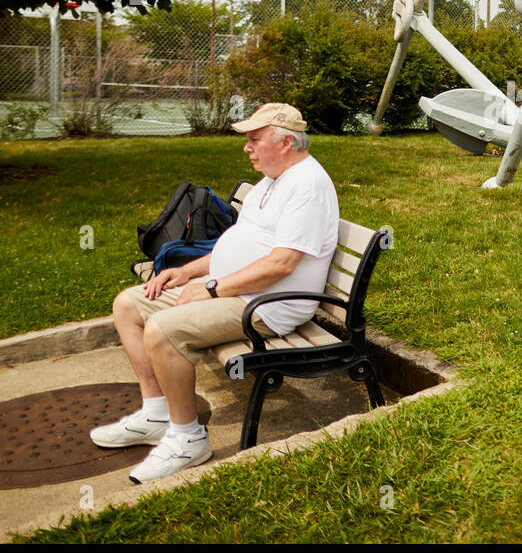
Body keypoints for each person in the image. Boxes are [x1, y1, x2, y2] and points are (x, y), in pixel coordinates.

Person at [91, 102, 339, 483]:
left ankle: (188, 439)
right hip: (234, 290)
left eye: (255, 139)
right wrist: (184, 272)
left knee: (162, 329)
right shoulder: (271, 181)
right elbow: (235, 244)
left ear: (286, 141)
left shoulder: (308, 186)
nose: (247, 147)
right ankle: (157, 413)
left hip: (268, 305)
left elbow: (281, 265)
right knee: (128, 305)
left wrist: (210, 290)